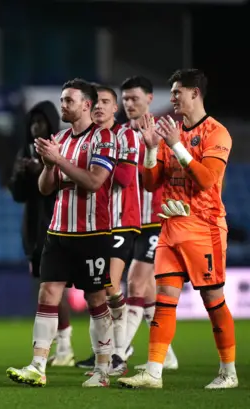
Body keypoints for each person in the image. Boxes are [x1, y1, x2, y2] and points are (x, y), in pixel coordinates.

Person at [119, 69, 237, 389]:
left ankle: (228, 372)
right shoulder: (171, 132)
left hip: (204, 228)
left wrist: (175, 145)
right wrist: (152, 148)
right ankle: (154, 372)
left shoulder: (216, 133)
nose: (171, 99)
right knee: (164, 299)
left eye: (176, 92)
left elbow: (207, 179)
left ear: (195, 93)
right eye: (171, 93)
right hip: (170, 227)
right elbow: (149, 183)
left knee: (213, 301)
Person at [6, 79, 116, 388]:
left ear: (86, 105)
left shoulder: (103, 139)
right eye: (61, 99)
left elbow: (94, 182)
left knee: (96, 298)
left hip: (92, 232)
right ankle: (38, 366)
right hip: (58, 231)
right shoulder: (60, 138)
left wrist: (59, 161)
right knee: (48, 293)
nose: (62, 105)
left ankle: (103, 370)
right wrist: (47, 165)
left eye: (69, 100)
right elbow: (45, 188)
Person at [76, 85, 141, 376]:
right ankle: (108, 352)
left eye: (106, 102)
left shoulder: (126, 135)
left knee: (108, 286)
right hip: (93, 224)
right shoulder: (87, 138)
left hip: (122, 221)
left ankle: (118, 352)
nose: (99, 107)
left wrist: (96, 168)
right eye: (96, 102)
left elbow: (126, 178)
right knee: (99, 291)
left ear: (115, 108)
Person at [8, 100, 76, 367]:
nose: (36, 127)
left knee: (55, 288)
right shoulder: (24, 151)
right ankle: (62, 347)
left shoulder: (62, 147)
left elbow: (68, 186)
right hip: (34, 229)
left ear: (50, 123)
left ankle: (66, 346)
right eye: (33, 122)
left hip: (59, 225)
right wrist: (22, 175)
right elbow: (17, 195)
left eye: (41, 122)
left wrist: (44, 170)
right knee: (46, 287)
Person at [119, 76, 178, 370]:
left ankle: (119, 352)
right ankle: (165, 354)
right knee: (148, 291)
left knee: (135, 281)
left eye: (135, 98)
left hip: (156, 220)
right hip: (128, 222)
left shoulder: (165, 133)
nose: (129, 104)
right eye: (125, 99)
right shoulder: (119, 135)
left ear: (150, 98)